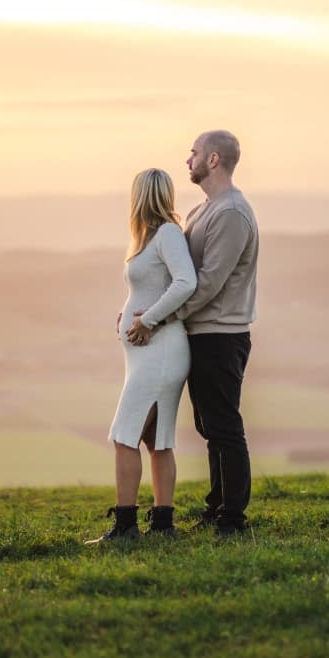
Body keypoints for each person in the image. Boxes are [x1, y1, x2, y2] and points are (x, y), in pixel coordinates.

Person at [128, 130, 257, 536]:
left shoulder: (231, 213)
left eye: (194, 153)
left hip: (221, 334)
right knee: (209, 426)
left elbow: (209, 283)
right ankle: (216, 507)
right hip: (200, 333)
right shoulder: (206, 209)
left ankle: (232, 520)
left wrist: (158, 317)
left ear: (214, 160)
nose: (188, 160)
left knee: (224, 426)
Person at [87, 168, 197, 544]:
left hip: (160, 352)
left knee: (124, 436)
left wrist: (148, 319)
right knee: (157, 440)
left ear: (140, 195)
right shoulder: (150, 237)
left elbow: (186, 282)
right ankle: (163, 527)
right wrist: (129, 311)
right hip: (153, 352)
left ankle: (126, 527)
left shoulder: (166, 233)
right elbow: (154, 285)